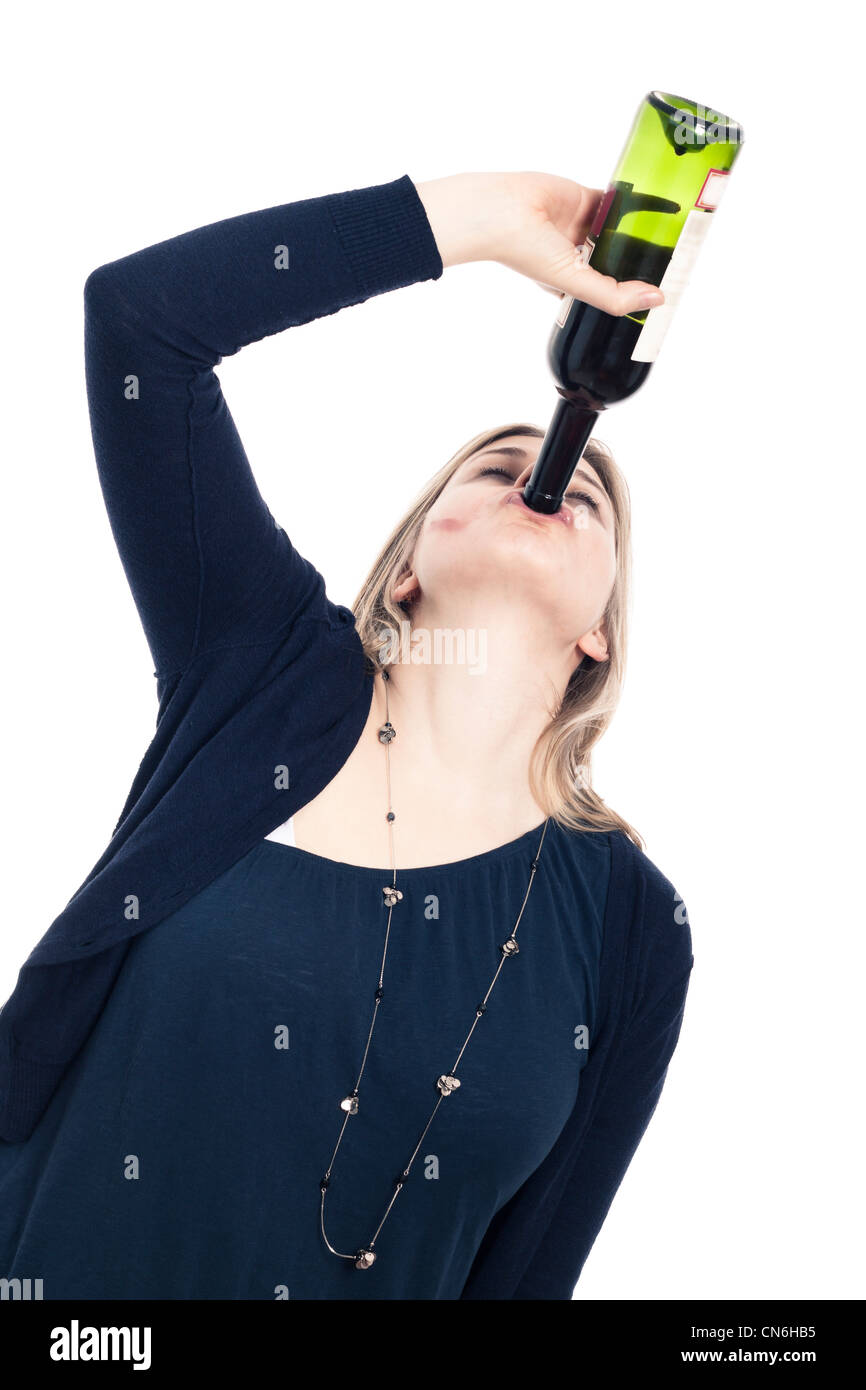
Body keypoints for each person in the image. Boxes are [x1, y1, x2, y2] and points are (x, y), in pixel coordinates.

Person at [0, 171, 693, 1300]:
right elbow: (141, 326)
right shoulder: (259, 675)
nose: (541, 476)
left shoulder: (630, 927)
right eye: (487, 468)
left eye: (588, 504)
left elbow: (527, 1280)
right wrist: (471, 222)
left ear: (597, 638)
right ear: (410, 565)